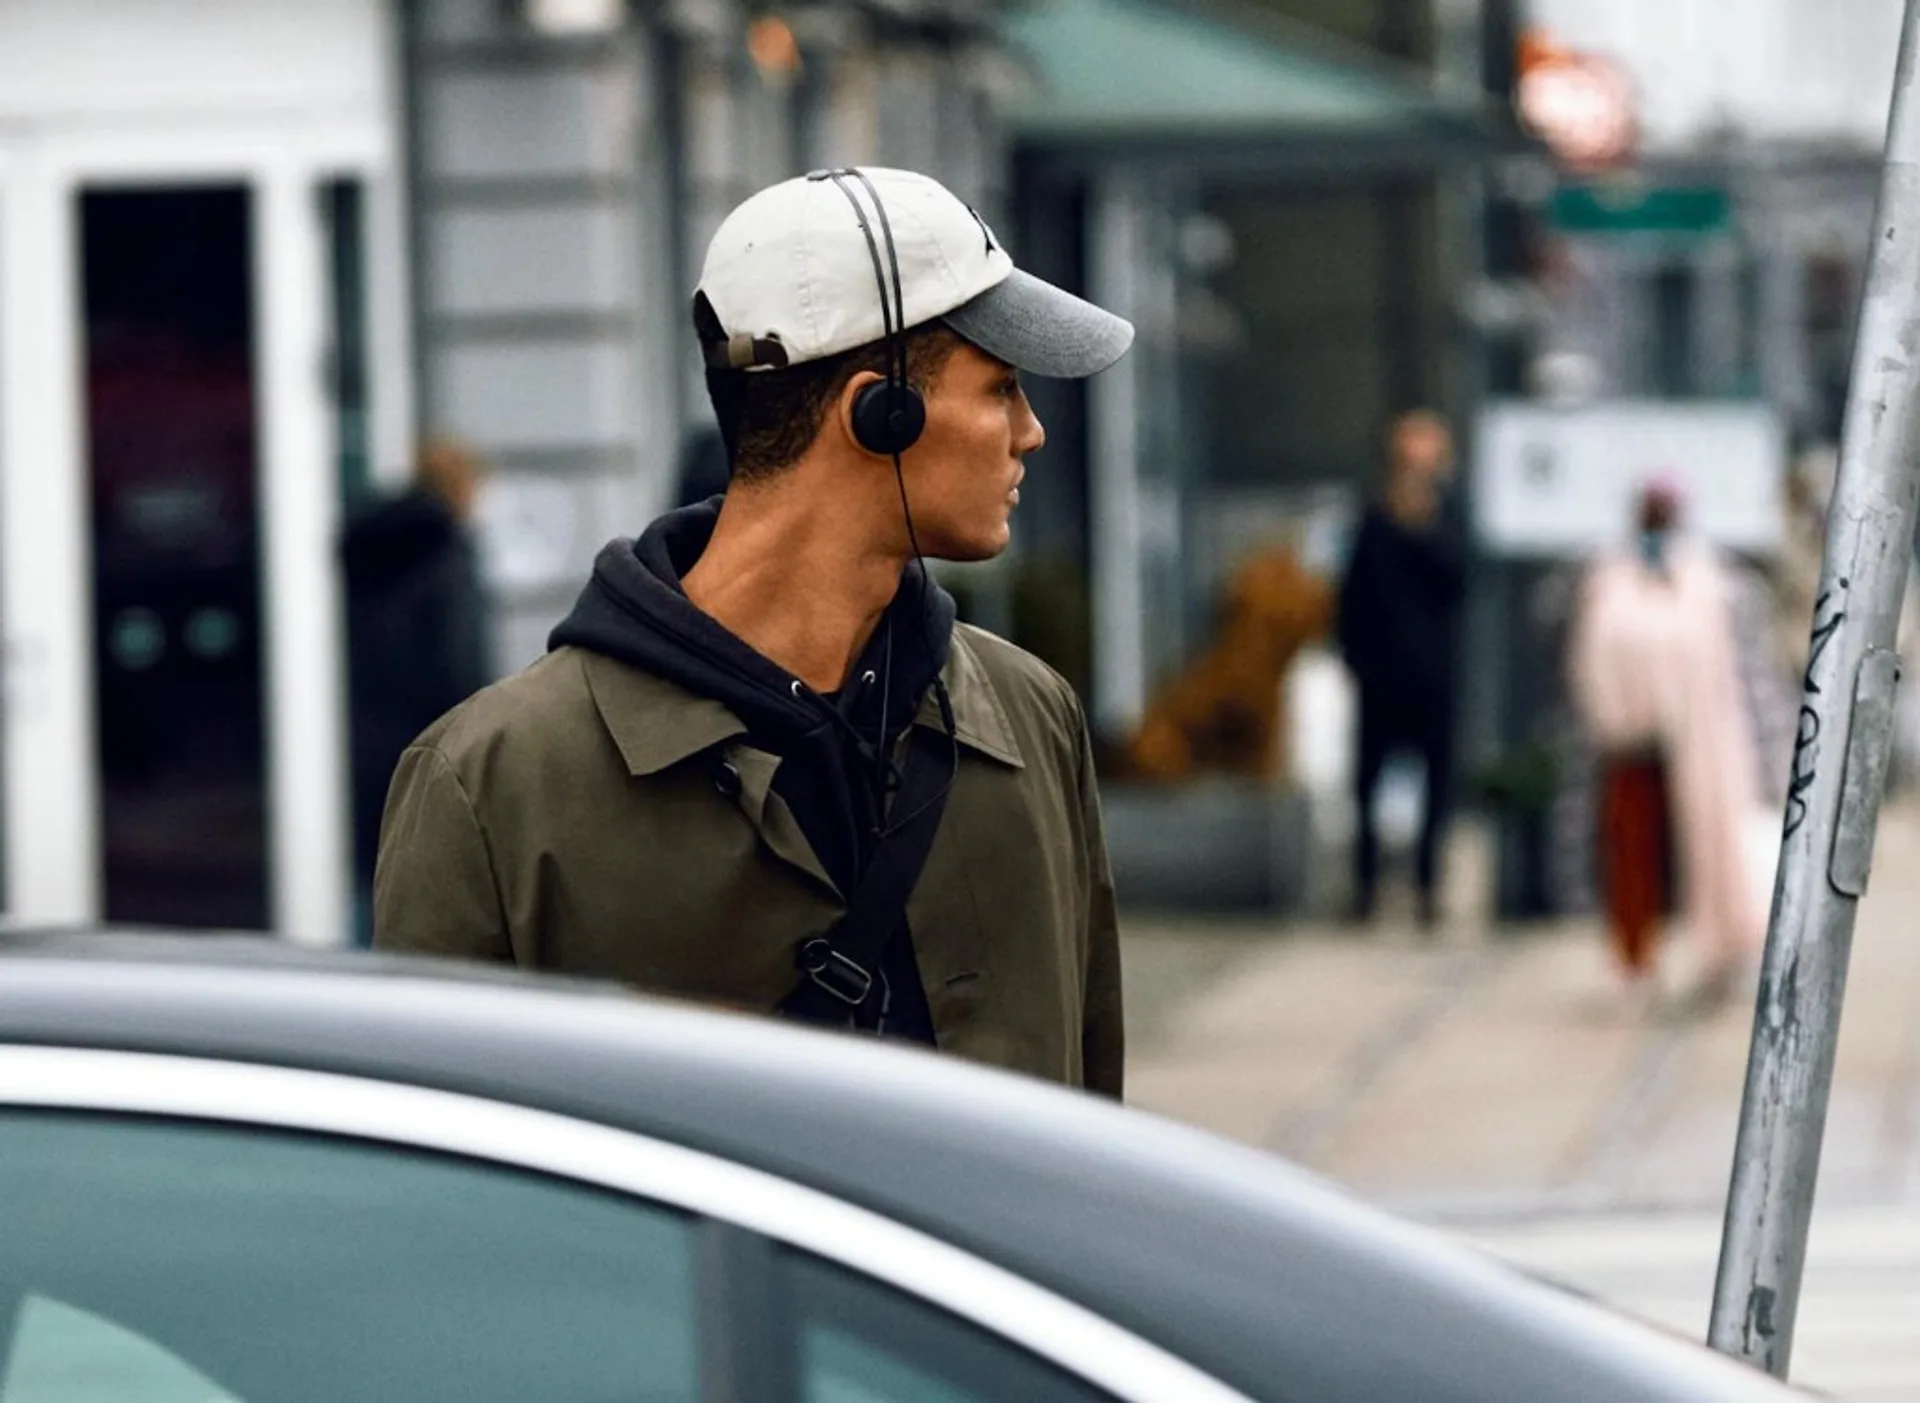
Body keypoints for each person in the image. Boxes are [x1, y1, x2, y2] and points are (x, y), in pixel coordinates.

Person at [373, 167, 1133, 1096]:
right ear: (878, 412)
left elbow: (1098, 1137)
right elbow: (447, 1206)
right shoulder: (490, 783)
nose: (1031, 432)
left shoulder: (1032, 718)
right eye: (1002, 387)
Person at [1566, 478, 1764, 1011]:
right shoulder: (1609, 578)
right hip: (1629, 744)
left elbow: (1726, 664)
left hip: (1698, 743)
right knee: (1631, 854)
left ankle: (1716, 951)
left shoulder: (1705, 578)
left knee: (1705, 848)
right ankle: (1634, 960)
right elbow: (1593, 654)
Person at [341, 439, 494, 947]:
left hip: (368, 742)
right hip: (433, 750)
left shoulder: (366, 549)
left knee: (370, 886)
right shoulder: (447, 556)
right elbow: (460, 665)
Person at [1336, 410, 1465, 927]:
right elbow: (1353, 595)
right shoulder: (1373, 517)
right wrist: (1355, 659)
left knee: (1437, 786)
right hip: (1380, 676)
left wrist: (1424, 524)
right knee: (1366, 784)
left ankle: (1427, 887)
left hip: (1433, 676)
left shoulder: (1449, 518)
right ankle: (1366, 885)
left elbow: (1458, 582)